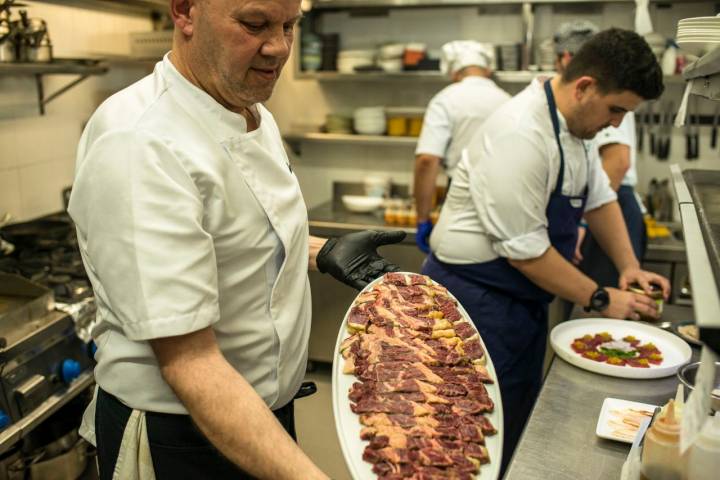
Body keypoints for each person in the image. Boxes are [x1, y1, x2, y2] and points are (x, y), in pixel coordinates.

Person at [67, 1, 404, 478]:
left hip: (258, 416)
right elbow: (190, 362)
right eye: (254, 24)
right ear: (184, 11)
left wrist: (320, 251)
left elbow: (235, 236)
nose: (279, 47)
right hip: (183, 434)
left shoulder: (247, 108)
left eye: (290, 26)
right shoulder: (140, 142)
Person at [421, 28, 670, 472]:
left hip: (519, 303)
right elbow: (527, 253)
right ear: (585, 86)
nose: (616, 124)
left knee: (508, 424)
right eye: (615, 110)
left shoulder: (573, 131)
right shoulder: (520, 132)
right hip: (472, 303)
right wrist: (601, 296)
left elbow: (600, 200)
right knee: (462, 432)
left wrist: (629, 267)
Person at [554, 22, 648, 287]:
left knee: (603, 308)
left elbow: (617, 163)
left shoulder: (604, 101)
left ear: (566, 58)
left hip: (608, 211)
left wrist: (581, 224)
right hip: (598, 207)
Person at [414, 40, 510, 253]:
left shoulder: (446, 99)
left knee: (456, 264)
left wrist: (422, 218)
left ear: (454, 72)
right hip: (506, 199)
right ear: (487, 69)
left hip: (461, 196)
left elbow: (427, 161)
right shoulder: (508, 100)